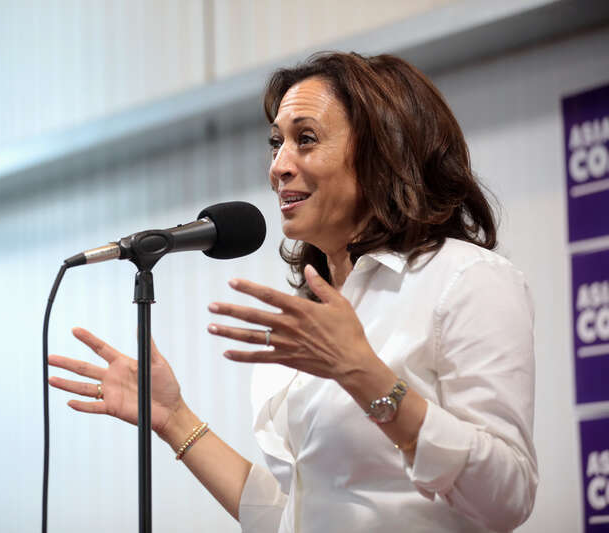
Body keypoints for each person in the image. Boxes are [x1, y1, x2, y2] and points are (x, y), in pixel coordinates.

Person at [47, 52, 538, 532]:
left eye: (306, 139)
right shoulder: (310, 310)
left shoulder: (464, 278)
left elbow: (507, 497)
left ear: (382, 152)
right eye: (276, 143)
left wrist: (364, 375)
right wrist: (174, 419)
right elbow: (291, 513)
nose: (278, 166)